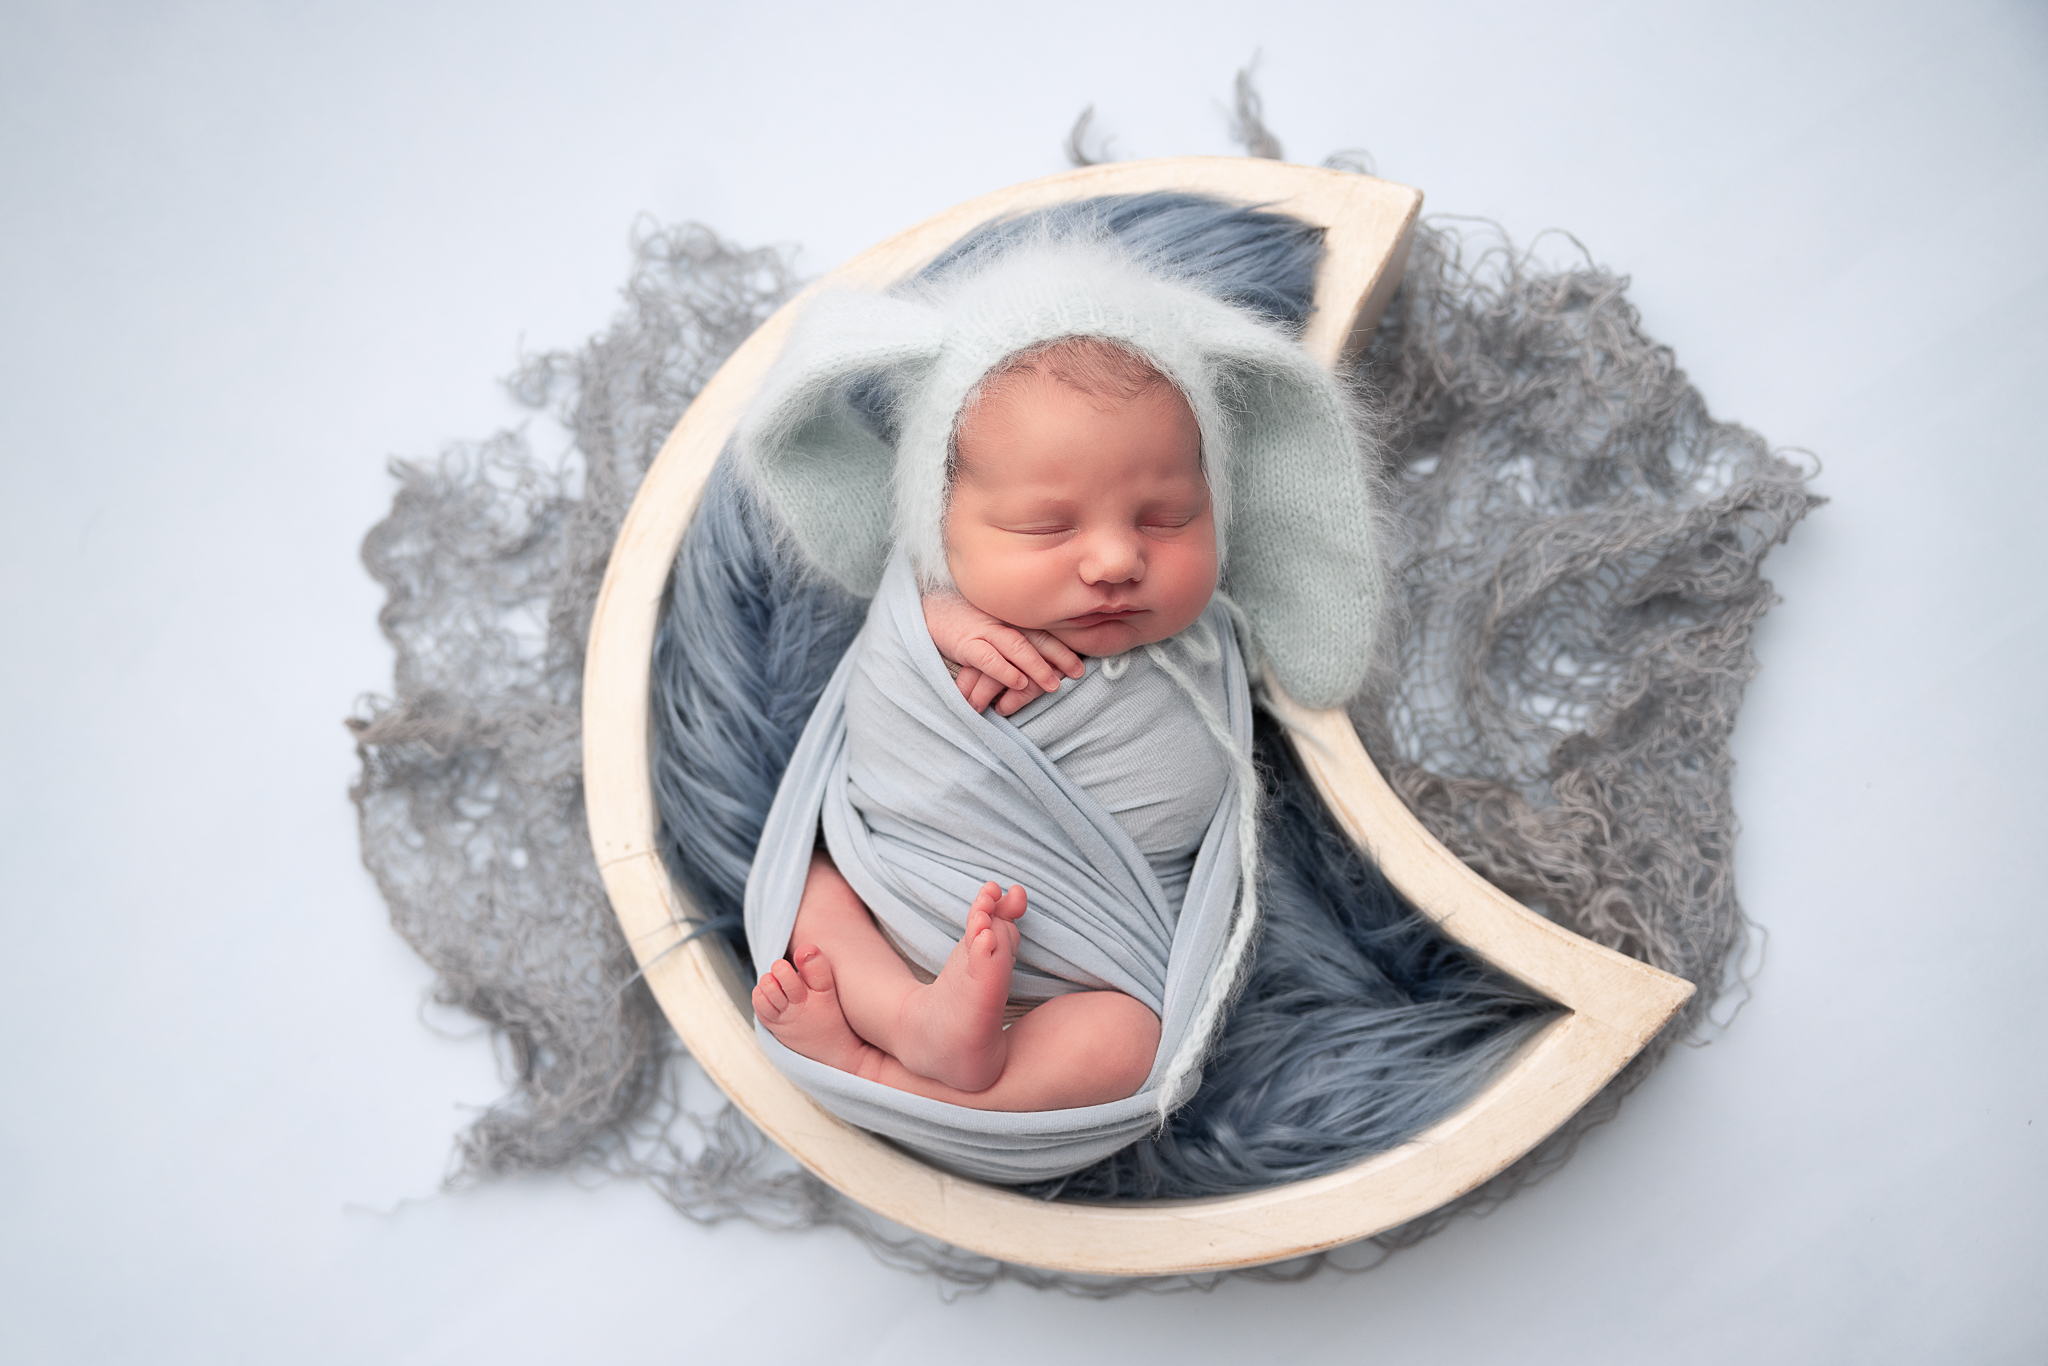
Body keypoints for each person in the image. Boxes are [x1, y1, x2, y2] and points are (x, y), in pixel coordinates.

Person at [749, 334, 1239, 1112]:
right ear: (940, 531)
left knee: (1129, 1044)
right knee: (805, 886)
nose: (1115, 558)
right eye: (1048, 528)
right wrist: (926, 618)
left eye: (1166, 518)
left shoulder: (1205, 643)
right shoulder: (932, 607)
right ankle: (907, 1017)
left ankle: (882, 1071)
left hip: (1084, 967)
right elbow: (883, 710)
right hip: (898, 897)